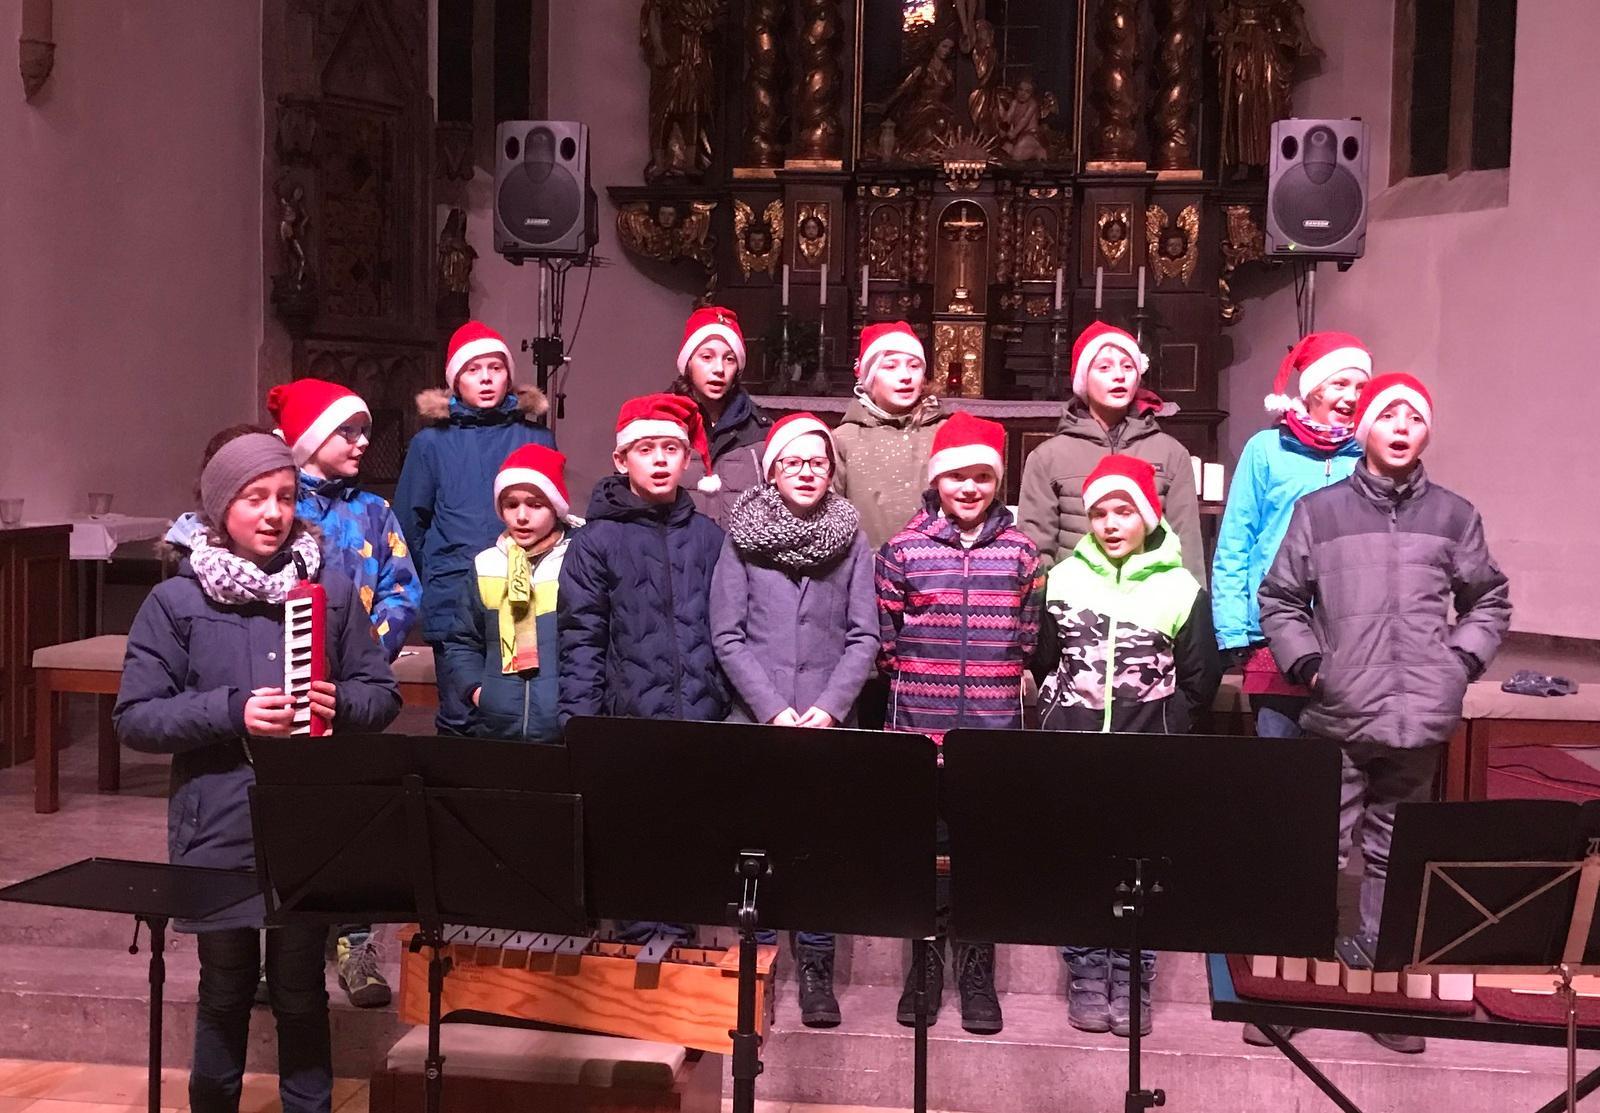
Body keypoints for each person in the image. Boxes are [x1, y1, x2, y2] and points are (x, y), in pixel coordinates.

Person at [115, 432, 400, 1113]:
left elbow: (382, 693)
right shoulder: (177, 602)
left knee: (302, 986)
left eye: (285, 496)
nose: (273, 512)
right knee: (225, 986)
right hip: (216, 817)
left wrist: (346, 701)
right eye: (253, 498)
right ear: (220, 509)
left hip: (307, 822)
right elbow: (136, 717)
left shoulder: (327, 587)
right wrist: (232, 710)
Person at [1259, 373, 1511, 1055]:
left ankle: (1382, 992)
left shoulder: (1455, 516)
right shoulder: (1320, 511)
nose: (1401, 426)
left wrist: (1457, 664)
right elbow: (1280, 597)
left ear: (1426, 432)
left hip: (1418, 722)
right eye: (1388, 414)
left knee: (1395, 856)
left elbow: (1488, 599)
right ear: (1363, 427)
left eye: (1414, 417)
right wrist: (1312, 665)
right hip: (1341, 711)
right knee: (1315, 848)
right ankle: (1291, 990)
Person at [1032, 455, 1221, 1037]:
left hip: (1147, 749)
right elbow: (1044, 659)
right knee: (1080, 858)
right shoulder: (1062, 581)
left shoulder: (1180, 587)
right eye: (1099, 514)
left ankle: (1132, 969)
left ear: (1147, 516)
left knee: (1139, 863)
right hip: (1076, 747)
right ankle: (1086, 972)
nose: (1111, 523)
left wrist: (1167, 725)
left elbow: (1198, 676)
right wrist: (1056, 715)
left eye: (1124, 511)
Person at [877, 412, 1044, 1036]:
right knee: (925, 853)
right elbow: (887, 641)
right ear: (936, 481)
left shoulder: (1021, 551)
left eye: (981, 477)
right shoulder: (903, 550)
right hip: (919, 728)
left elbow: (1025, 639)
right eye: (957, 477)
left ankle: (977, 971)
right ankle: (921, 967)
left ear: (997, 483)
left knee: (982, 854)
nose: (969, 488)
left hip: (991, 735)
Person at [710, 412, 879, 1028]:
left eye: (818, 463)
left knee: (817, 849)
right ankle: (751, 965)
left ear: (831, 472)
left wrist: (828, 709)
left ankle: (815, 967)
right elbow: (727, 635)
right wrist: (773, 708)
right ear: (773, 470)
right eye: (794, 462)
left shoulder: (851, 535)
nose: (807, 472)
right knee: (758, 846)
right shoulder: (740, 537)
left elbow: (864, 636)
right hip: (761, 718)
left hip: (826, 722)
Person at [266, 377, 422, 1009]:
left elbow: (402, 589)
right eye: (347, 432)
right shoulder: (274, 505)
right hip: (276, 696)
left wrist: (363, 658)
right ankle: (271, 942)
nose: (362, 443)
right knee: (282, 822)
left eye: (363, 431)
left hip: (349, 692)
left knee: (354, 821)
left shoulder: (374, 512)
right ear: (306, 440)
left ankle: (355, 944)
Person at [394, 320, 557, 735]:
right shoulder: (431, 444)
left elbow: (553, 512)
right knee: (461, 714)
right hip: (454, 598)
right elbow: (410, 524)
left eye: (495, 367)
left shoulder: (535, 437)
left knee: (521, 716)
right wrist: (435, 579)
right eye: (472, 369)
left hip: (527, 598)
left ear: (508, 374)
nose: (485, 378)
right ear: (455, 381)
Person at [1212, 332, 1371, 738]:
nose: (1351, 396)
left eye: (1360, 387)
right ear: (1313, 388)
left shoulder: (1368, 455)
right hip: (1274, 628)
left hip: (1346, 633)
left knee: (1338, 767)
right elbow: (1236, 540)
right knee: (1280, 762)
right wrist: (1231, 628)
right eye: (1339, 384)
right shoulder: (1266, 449)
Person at [1017, 322, 1205, 582]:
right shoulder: (1048, 457)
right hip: (1075, 606)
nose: (1119, 376)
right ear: (1084, 378)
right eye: (1104, 367)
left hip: (1150, 605)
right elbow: (1037, 549)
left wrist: (1194, 613)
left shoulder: (1171, 454)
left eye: (1127, 367)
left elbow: (1188, 546)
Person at [440, 445, 577, 742]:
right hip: (498, 728)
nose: (522, 516)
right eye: (511, 505)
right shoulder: (486, 564)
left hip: (562, 728)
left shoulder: (577, 562)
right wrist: (479, 692)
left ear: (556, 507)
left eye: (536, 504)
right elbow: (462, 640)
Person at [832, 321, 950, 551]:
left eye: (914, 366)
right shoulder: (844, 439)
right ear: (869, 378)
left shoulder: (943, 432)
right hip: (868, 570)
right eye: (890, 366)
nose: (905, 376)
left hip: (937, 570)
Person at [670, 305, 771, 524]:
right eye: (707, 357)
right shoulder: (660, 424)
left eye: (729, 359)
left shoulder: (761, 431)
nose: (719, 369)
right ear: (688, 363)